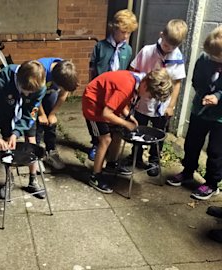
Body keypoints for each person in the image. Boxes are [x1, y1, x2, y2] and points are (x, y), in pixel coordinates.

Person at [82, 69, 173, 193]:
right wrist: (126, 123)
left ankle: (112, 164)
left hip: (105, 103)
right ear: (145, 84)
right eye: (150, 96)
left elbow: (120, 102)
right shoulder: (126, 86)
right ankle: (95, 176)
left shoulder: (136, 81)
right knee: (105, 139)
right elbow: (106, 114)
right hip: (93, 104)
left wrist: (129, 117)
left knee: (119, 133)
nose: (148, 98)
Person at [166, 26, 222, 203]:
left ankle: (212, 184)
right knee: (192, 142)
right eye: (211, 55)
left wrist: (218, 97)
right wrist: (203, 93)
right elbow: (196, 79)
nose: (212, 59)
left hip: (220, 116)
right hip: (200, 109)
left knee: (216, 151)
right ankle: (187, 171)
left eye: (217, 57)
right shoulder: (205, 58)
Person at [127, 19, 188, 176]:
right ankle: (136, 155)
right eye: (167, 45)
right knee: (137, 128)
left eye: (173, 47)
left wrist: (171, 106)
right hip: (142, 100)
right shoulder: (147, 51)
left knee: (158, 133)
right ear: (162, 35)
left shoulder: (177, 58)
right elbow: (133, 70)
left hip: (162, 104)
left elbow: (176, 84)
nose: (169, 49)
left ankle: (154, 159)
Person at [0, 60, 47, 199]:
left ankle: (33, 180)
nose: (27, 95)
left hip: (26, 114)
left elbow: (31, 112)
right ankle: (9, 179)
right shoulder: (5, 77)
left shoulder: (40, 86)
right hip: (6, 112)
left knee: (32, 142)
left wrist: (17, 132)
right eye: (26, 91)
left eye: (32, 93)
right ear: (19, 81)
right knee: (7, 146)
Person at [87, 9, 138, 161]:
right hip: (100, 90)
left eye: (129, 33)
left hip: (116, 92)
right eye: (123, 32)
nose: (126, 36)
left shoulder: (127, 50)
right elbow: (92, 69)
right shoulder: (100, 47)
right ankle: (96, 143)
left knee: (112, 120)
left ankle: (109, 151)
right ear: (114, 28)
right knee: (97, 119)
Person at [36, 58, 79, 170]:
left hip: (50, 93)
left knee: (51, 122)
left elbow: (63, 95)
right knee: (37, 124)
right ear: (56, 81)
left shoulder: (66, 74)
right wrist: (41, 114)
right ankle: (36, 154)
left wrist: (52, 114)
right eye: (61, 87)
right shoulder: (40, 71)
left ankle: (51, 151)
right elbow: (35, 98)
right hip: (34, 94)